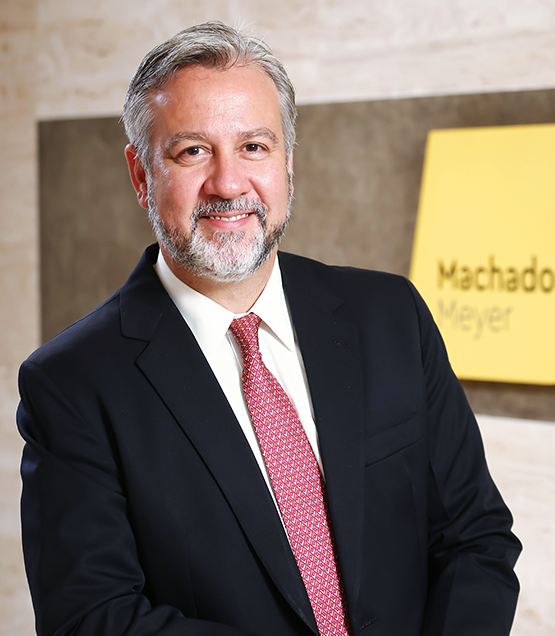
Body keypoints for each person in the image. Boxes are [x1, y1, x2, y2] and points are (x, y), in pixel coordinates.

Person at [18, 22, 520, 636]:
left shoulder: (390, 316)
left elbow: (474, 536)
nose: (229, 184)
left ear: (288, 164)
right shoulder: (72, 384)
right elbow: (92, 620)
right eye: (192, 151)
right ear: (140, 174)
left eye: (254, 147)